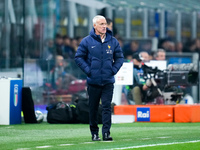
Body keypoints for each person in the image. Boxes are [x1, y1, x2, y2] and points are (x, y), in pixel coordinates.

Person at [75, 15, 124, 141]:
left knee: (107, 107)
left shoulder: (113, 41)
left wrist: (113, 70)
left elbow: (120, 58)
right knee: (93, 107)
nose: (104, 26)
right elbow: (78, 57)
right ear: (95, 26)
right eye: (101, 24)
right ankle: (94, 133)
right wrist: (89, 71)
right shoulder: (86, 41)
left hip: (108, 81)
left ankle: (106, 133)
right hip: (93, 81)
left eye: (105, 24)